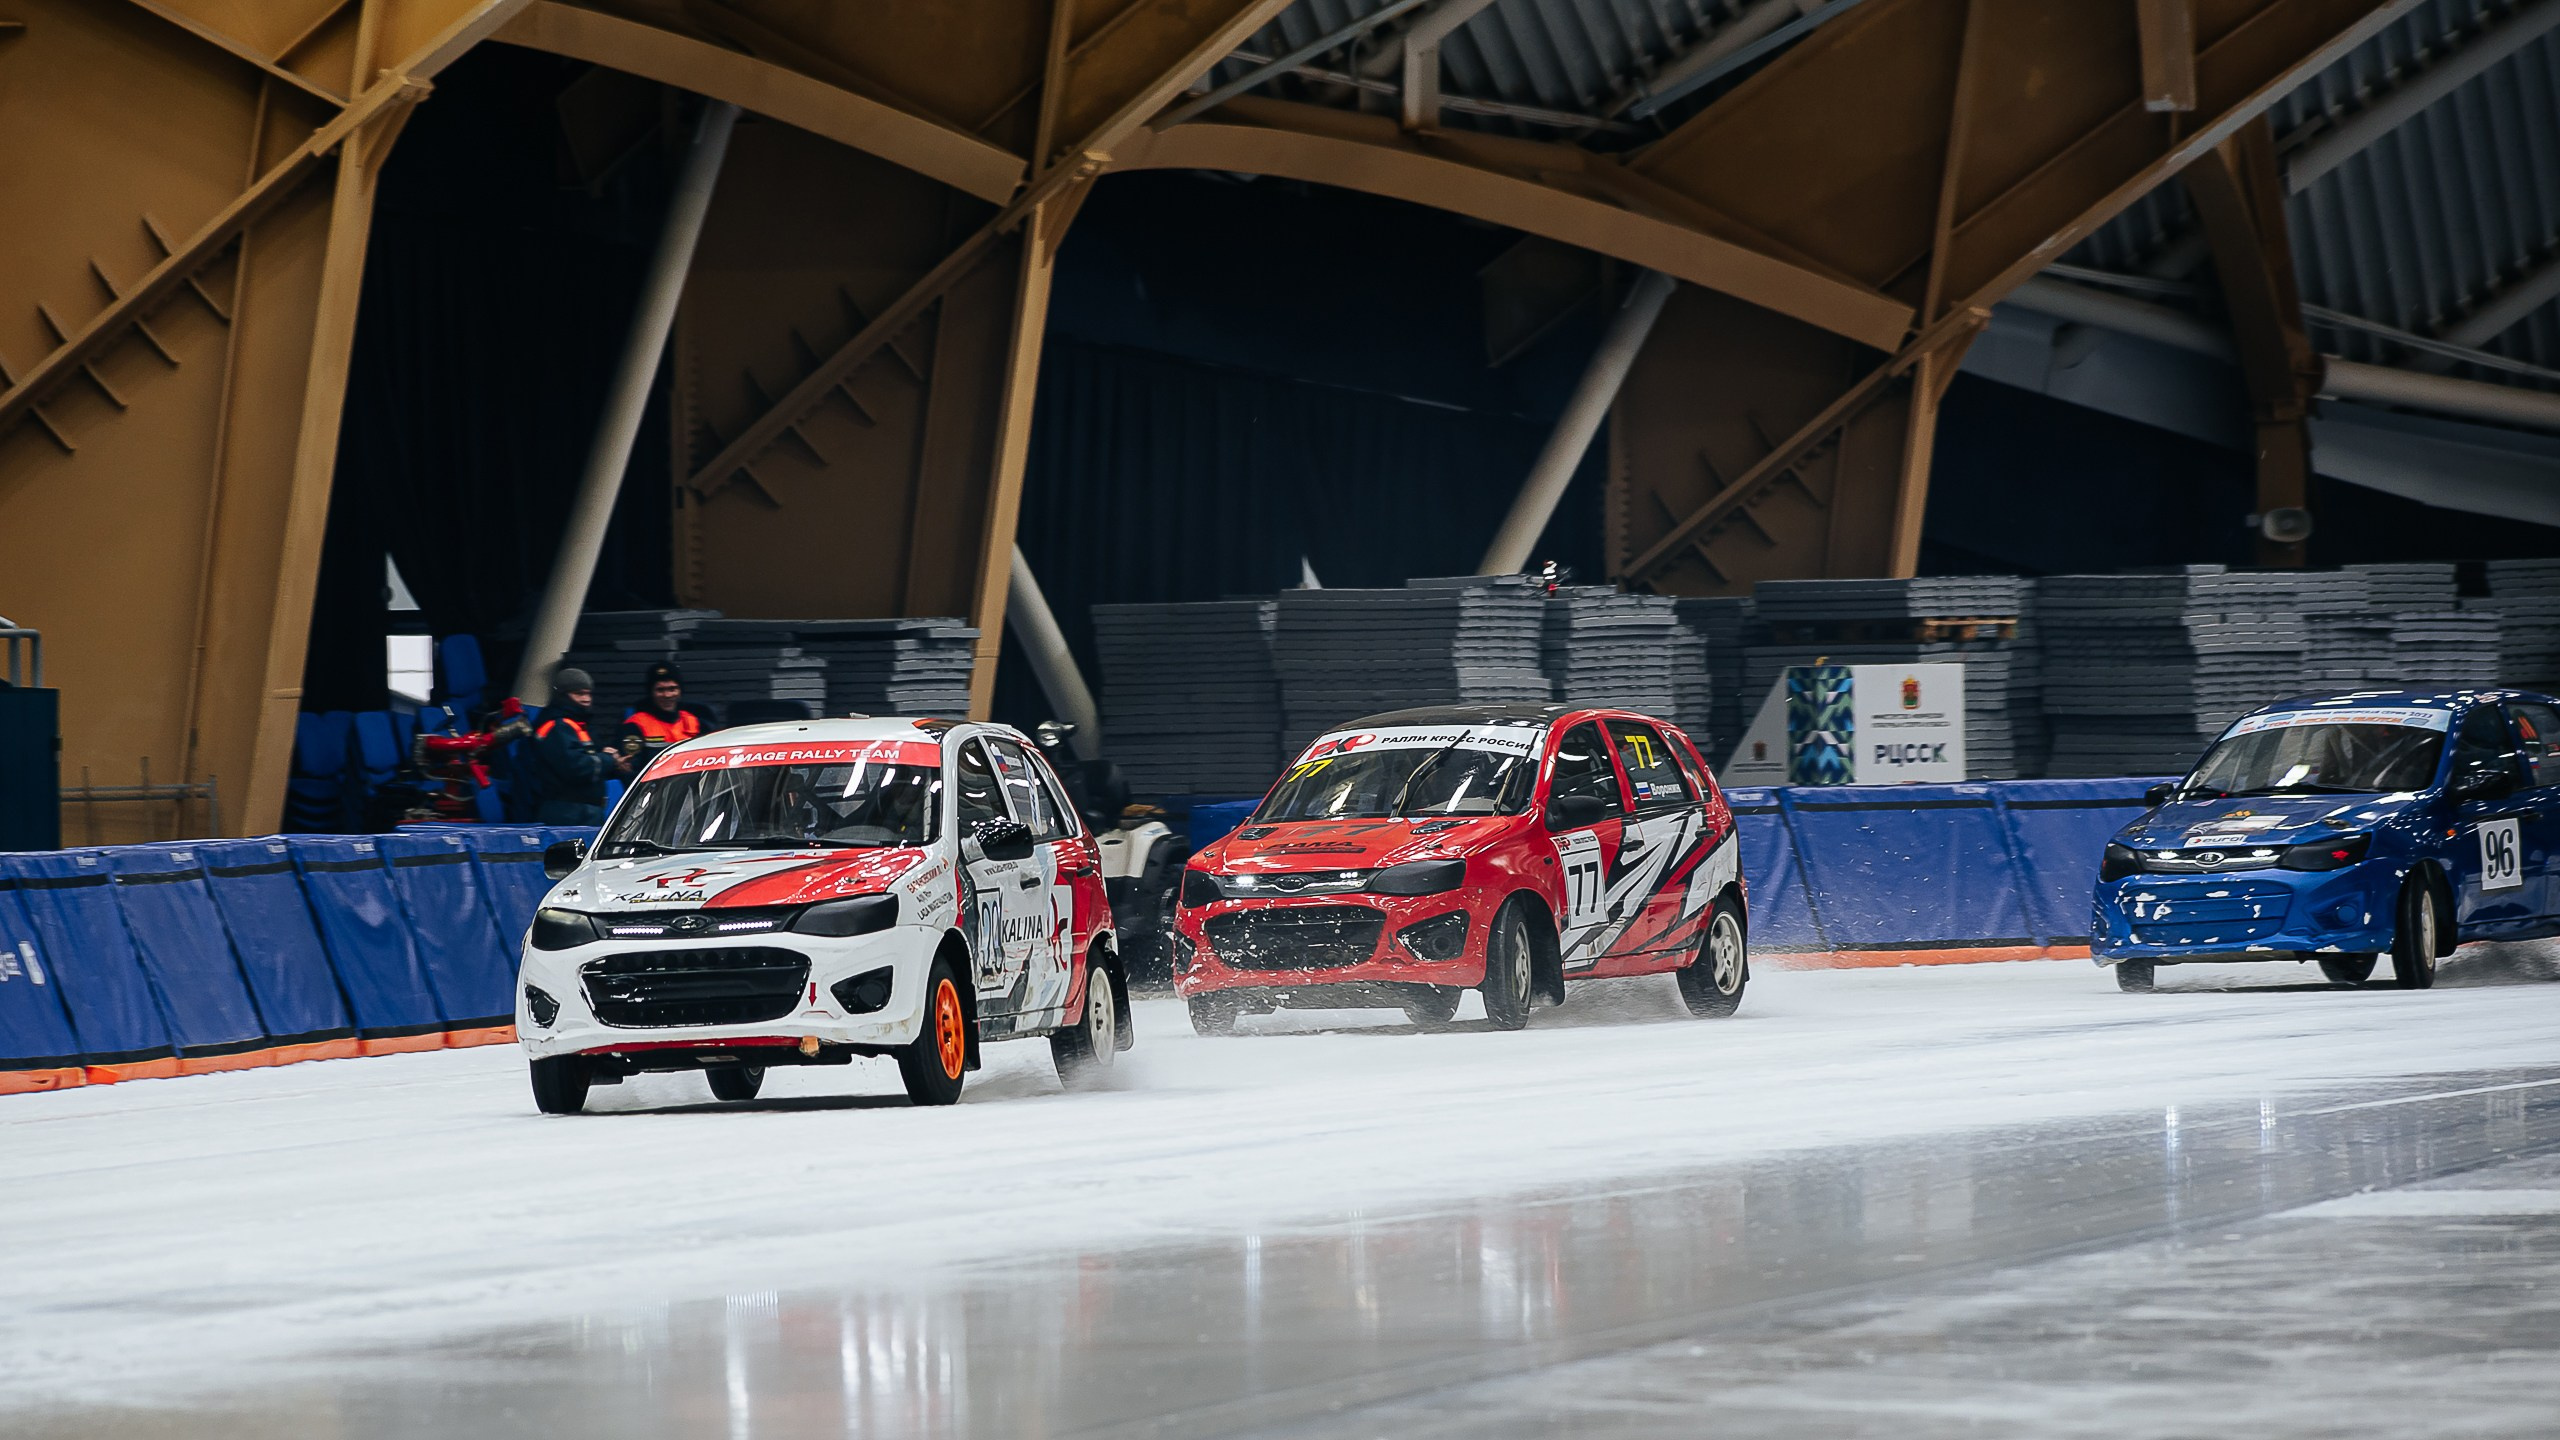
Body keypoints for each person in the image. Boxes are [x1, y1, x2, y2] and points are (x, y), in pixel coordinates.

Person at [529, 667, 627, 824]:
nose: (586, 699)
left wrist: (614, 764)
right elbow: (576, 767)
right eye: (579, 694)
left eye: (588, 693)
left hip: (584, 813)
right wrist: (608, 759)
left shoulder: (579, 725)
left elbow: (591, 760)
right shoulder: (556, 726)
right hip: (566, 815)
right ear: (563, 695)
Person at [621, 661, 719, 767]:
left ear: (680, 691)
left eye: (672, 689)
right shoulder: (635, 725)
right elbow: (631, 771)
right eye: (660, 690)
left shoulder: (694, 722)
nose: (667, 695)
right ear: (651, 693)